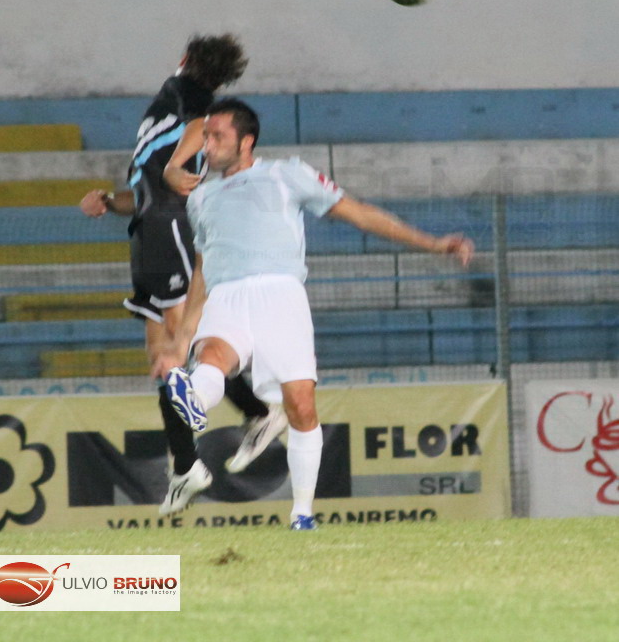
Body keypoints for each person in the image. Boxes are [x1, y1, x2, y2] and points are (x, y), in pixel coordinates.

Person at [153, 97, 475, 530]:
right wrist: (181, 338)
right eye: (205, 136)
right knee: (210, 357)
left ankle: (302, 513)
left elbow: (359, 214)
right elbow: (201, 269)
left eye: (217, 136)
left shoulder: (287, 174)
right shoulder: (201, 197)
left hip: (279, 295)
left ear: (246, 142)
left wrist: (432, 244)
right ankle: (193, 399)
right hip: (225, 295)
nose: (206, 145)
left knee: (301, 405)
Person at [79, 37, 287, 517]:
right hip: (148, 231)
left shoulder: (183, 94)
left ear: (185, 60)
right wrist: (109, 202)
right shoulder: (168, 110)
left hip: (169, 228)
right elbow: (146, 188)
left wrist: (174, 166)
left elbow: (197, 127)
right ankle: (188, 465)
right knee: (163, 359)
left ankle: (257, 413)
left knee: (182, 347)